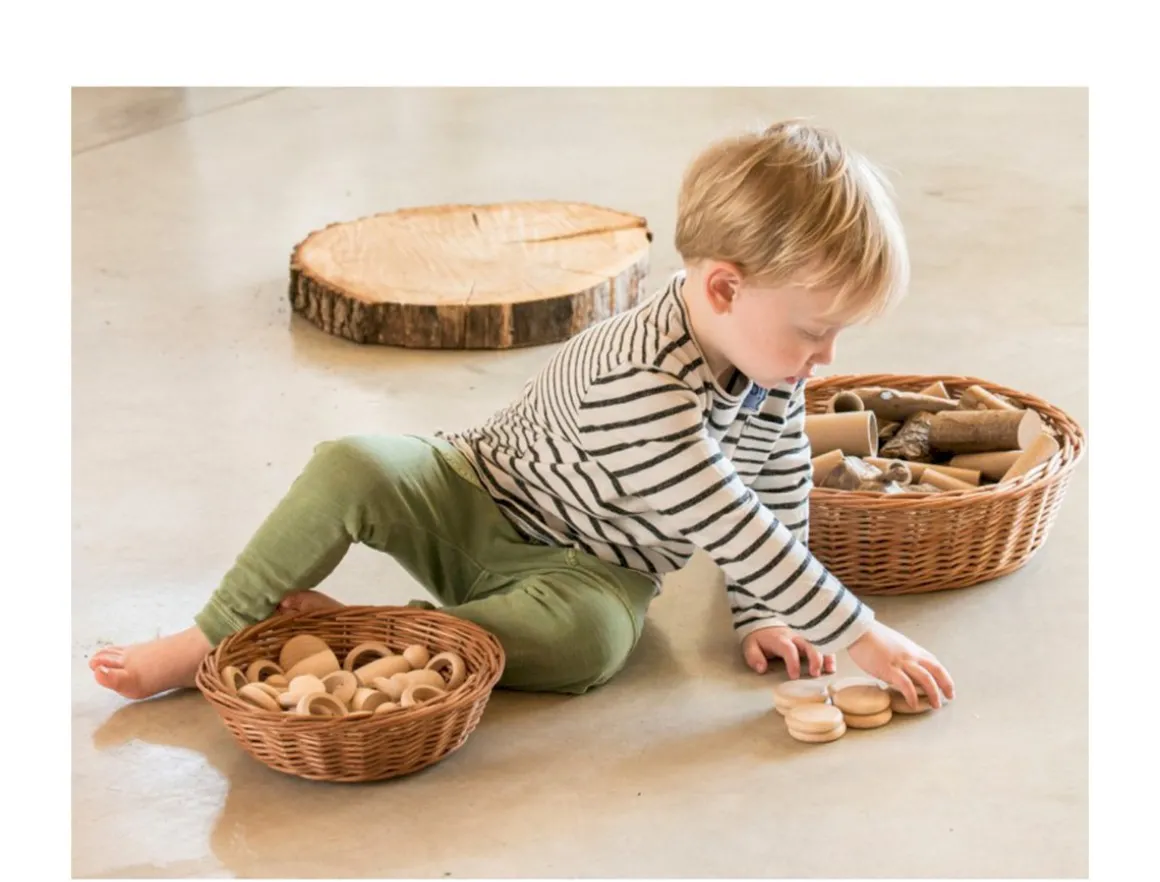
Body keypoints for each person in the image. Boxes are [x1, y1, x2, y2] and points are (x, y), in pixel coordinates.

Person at [90, 119, 955, 709]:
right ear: (724, 288)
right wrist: (864, 635)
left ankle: (366, 634)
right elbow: (730, 520)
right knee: (353, 463)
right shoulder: (644, 381)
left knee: (590, 643)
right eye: (815, 330)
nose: (825, 357)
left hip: (593, 571)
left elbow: (776, 484)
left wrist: (765, 612)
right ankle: (209, 635)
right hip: (475, 492)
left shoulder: (768, 363)